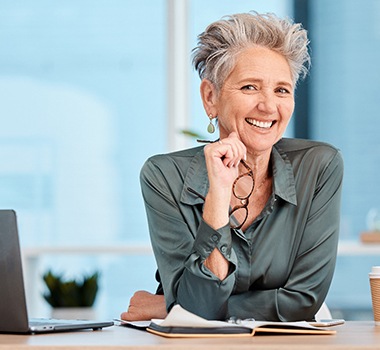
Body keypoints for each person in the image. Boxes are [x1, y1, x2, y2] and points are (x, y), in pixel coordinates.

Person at [121, 11, 343, 322]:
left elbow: (304, 300)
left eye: (282, 90)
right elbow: (200, 304)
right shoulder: (164, 177)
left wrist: (170, 307)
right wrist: (218, 196)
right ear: (210, 97)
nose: (268, 106)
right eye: (250, 87)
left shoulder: (319, 166)